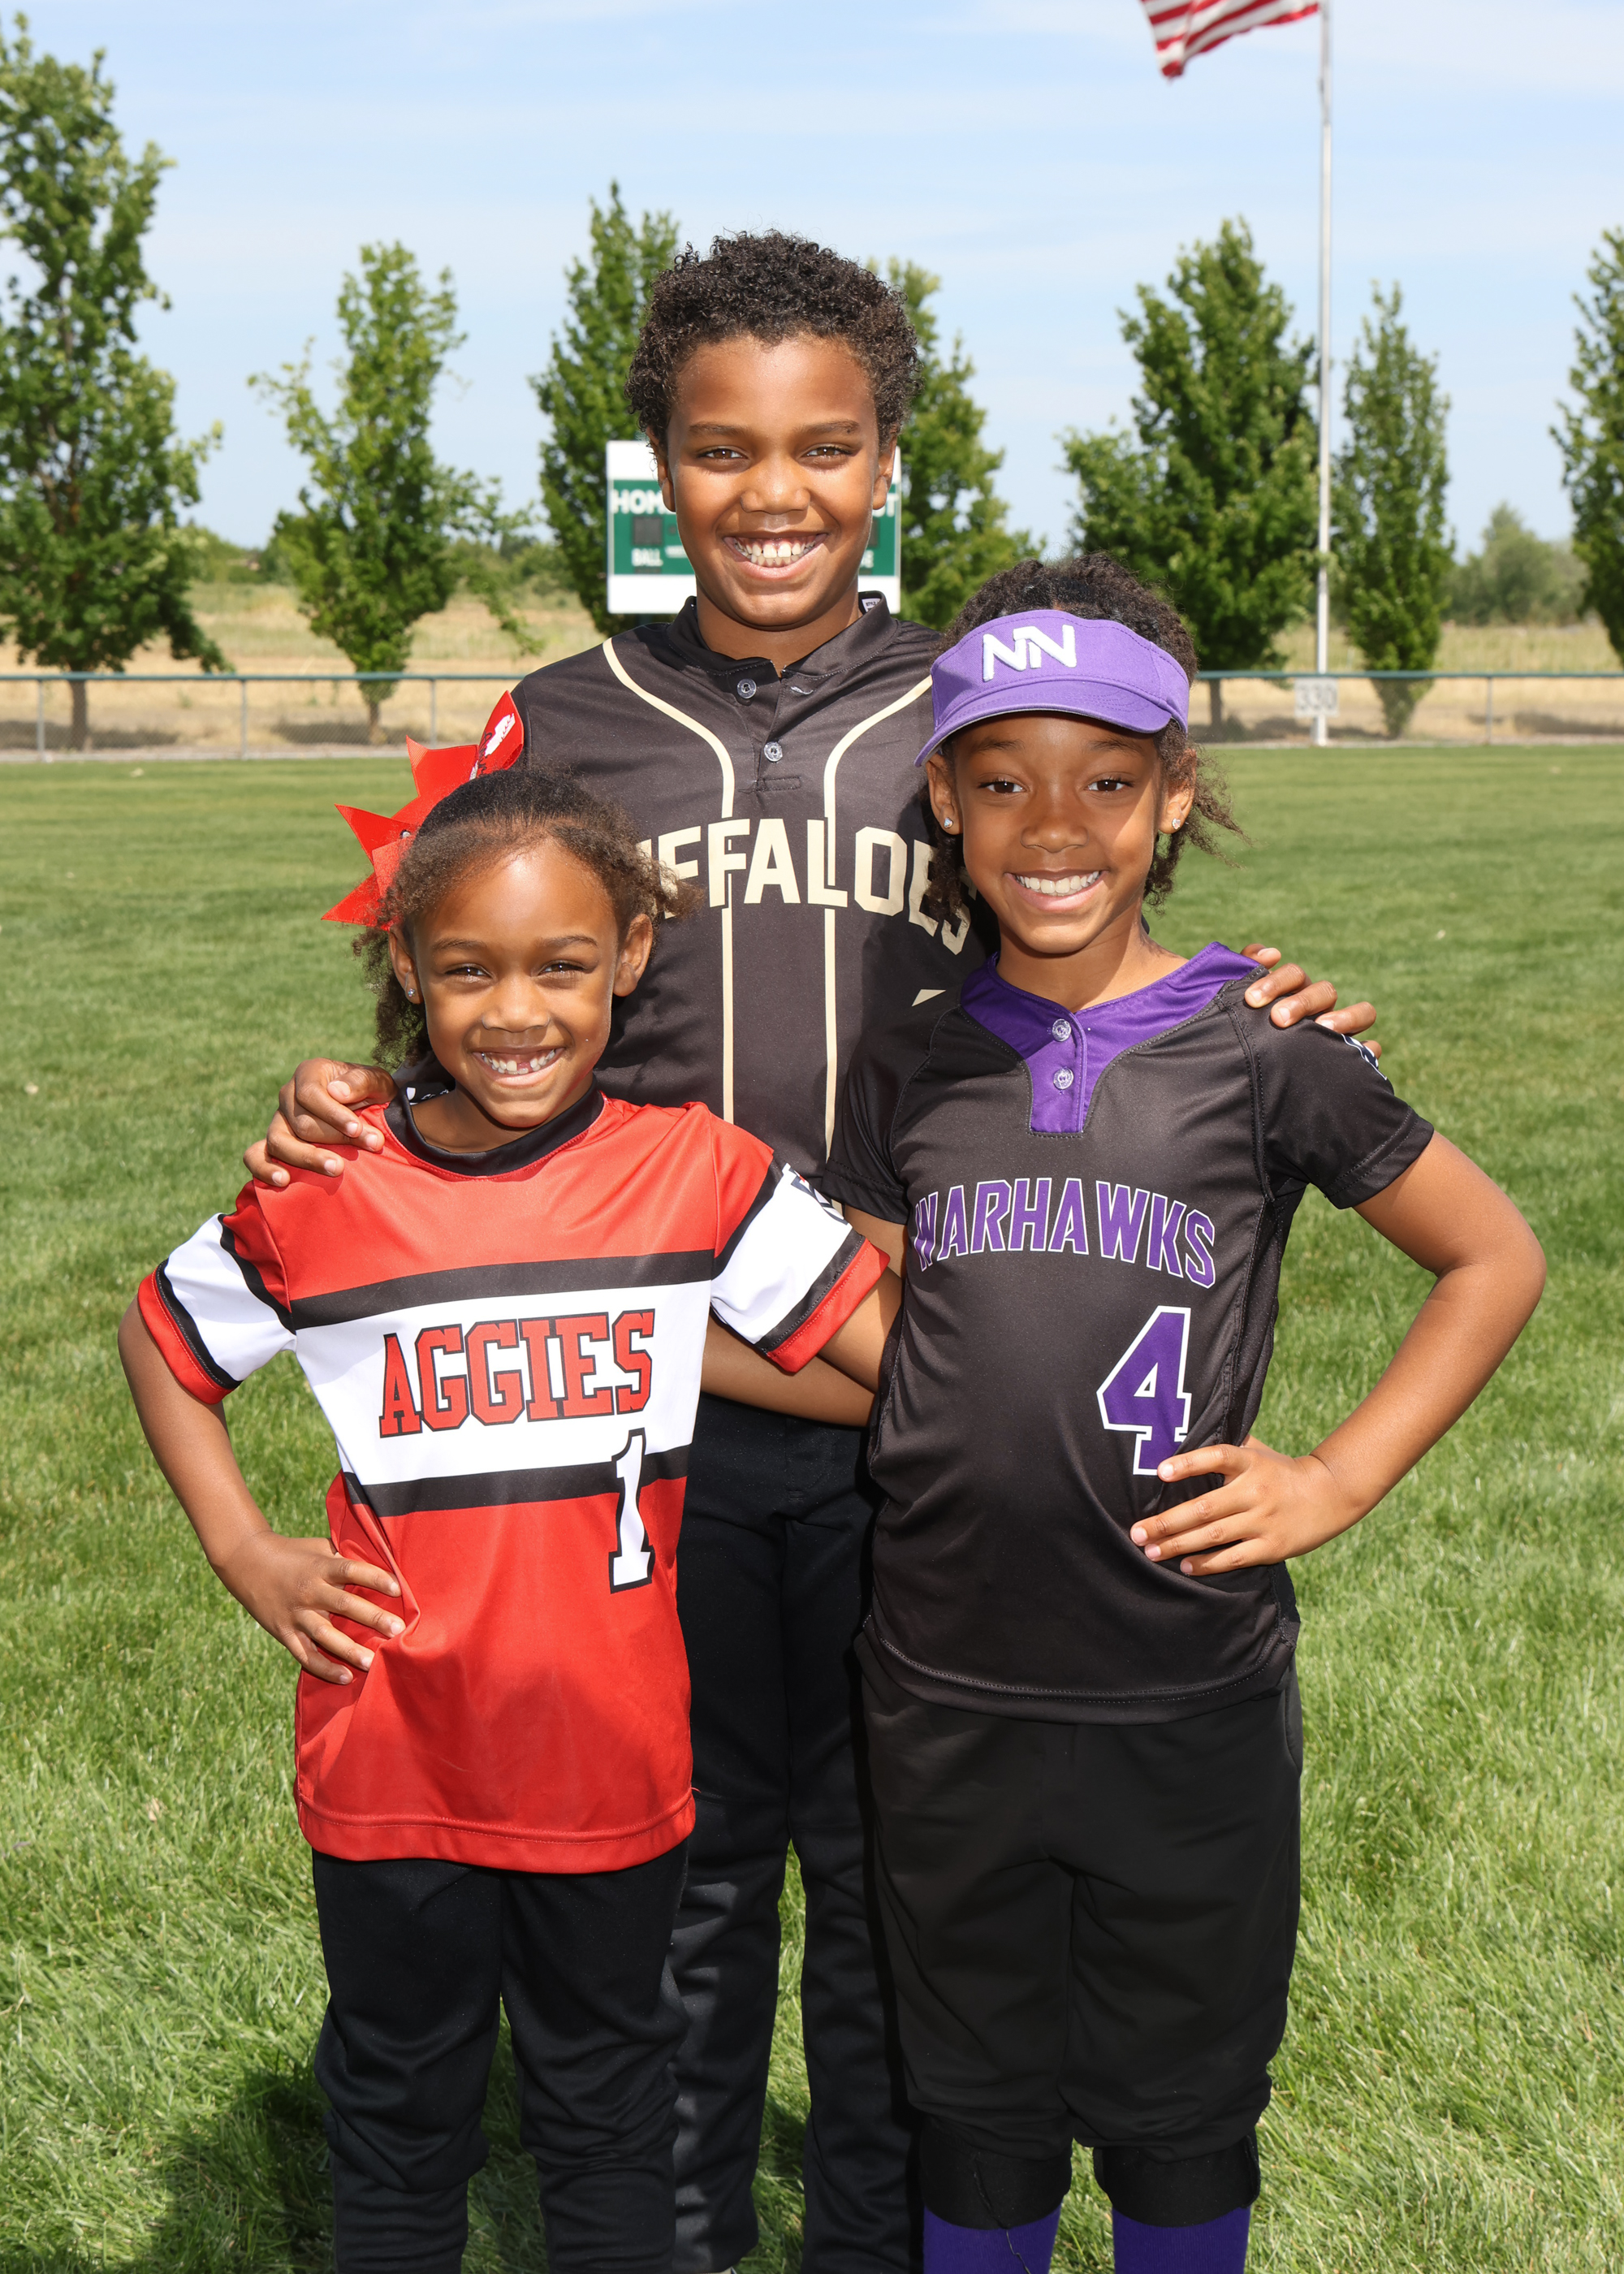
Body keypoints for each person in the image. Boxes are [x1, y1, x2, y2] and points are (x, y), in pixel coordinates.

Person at [244, 236, 1380, 2274]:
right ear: (658, 467)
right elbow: (466, 981)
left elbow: (1092, 901)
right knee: (677, 1880)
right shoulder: (555, 718)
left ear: (885, 461)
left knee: (890, 1890)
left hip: (914, 1409)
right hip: (643, 1421)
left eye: (824, 448)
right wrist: (346, 1092)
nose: (774, 494)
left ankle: (874, 2237)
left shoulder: (965, 706)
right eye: (723, 451)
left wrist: (1255, 993)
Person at [707, 556, 1546, 2274]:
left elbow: (1492, 1255)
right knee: (975, 2112)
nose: (1052, 825)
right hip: (942, 1684)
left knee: (1181, 2116)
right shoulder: (910, 1055)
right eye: (1002, 781)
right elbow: (874, 1338)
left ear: (1173, 800)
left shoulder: (1264, 1045)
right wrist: (620, 1322)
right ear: (946, 803)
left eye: (1104, 781)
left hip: (1181, 1686)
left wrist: (1337, 1476)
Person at [119, 759, 902, 2274]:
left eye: (561, 965)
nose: (516, 1011)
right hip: (393, 1756)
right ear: (407, 966)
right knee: (399, 2113)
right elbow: (165, 1340)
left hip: (609, 1760)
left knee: (610, 2116)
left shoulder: (695, 1172)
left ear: (632, 956)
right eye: (469, 970)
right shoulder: (331, 1183)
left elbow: (897, 1365)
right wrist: (244, 1548)